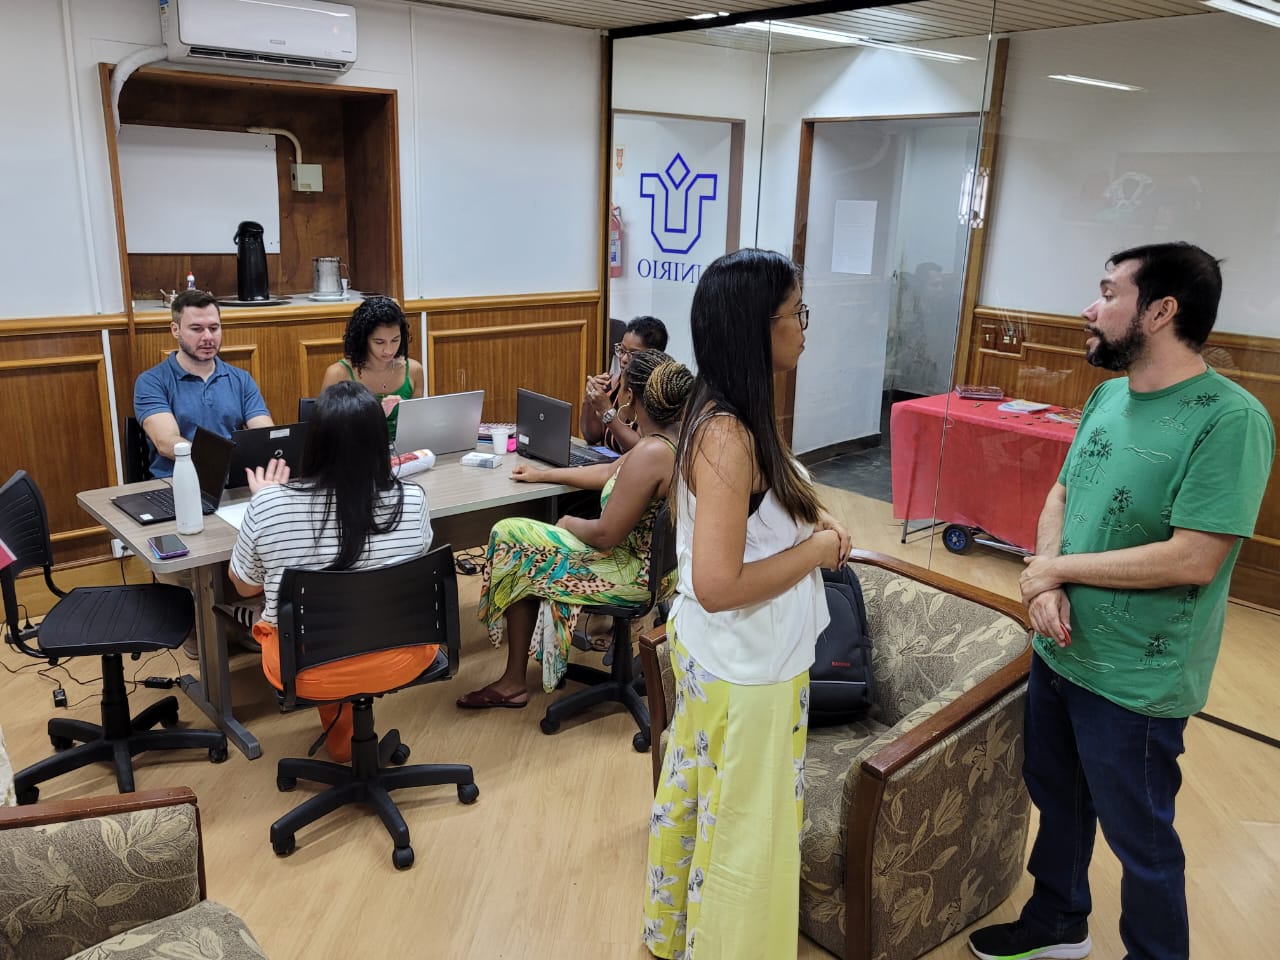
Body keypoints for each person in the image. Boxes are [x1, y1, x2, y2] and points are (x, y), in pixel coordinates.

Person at [968, 242, 1275, 960]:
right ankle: (1058, 920)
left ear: (1161, 312)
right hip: (1060, 649)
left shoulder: (1230, 420)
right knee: (1057, 797)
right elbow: (1062, 492)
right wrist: (1048, 578)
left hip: (1137, 679)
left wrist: (1051, 570)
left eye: (1109, 293)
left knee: (1141, 837)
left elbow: (1194, 557)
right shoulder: (1109, 396)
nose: (1089, 307)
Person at [643, 249, 850, 960]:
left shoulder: (724, 409)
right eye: (796, 313)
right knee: (746, 834)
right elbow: (719, 583)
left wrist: (812, 518)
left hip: (725, 654)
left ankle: (676, 933)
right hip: (748, 664)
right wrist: (818, 551)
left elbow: (761, 510)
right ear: (755, 328)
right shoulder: (728, 433)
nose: (804, 328)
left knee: (701, 796)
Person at [456, 348, 693, 708]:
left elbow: (605, 535)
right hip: (660, 573)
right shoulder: (672, 441)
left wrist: (567, 522)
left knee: (510, 537)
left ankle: (512, 683)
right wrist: (542, 475)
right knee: (528, 544)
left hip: (628, 575)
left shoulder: (651, 453)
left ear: (630, 396)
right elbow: (609, 472)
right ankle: (518, 675)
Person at [227, 381, 435, 763]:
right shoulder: (413, 500)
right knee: (357, 613)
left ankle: (343, 737)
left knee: (304, 626)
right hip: (402, 657)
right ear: (381, 443)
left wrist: (265, 501)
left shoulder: (270, 505)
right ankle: (346, 737)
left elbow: (244, 587)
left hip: (307, 670)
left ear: (313, 444)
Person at [134, 289, 273, 477]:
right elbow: (166, 443)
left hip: (232, 481)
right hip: (176, 481)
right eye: (196, 329)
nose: (208, 337)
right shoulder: (151, 382)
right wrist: (223, 461)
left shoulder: (241, 379)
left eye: (214, 328)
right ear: (175, 330)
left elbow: (264, 433)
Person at [320, 296, 424, 444]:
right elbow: (325, 432)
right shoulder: (338, 374)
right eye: (379, 342)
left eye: (395, 340)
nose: (389, 350)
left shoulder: (414, 370)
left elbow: (418, 427)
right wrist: (375, 416)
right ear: (363, 340)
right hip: (357, 452)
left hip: (403, 451)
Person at [581, 315, 669, 454]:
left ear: (653, 357)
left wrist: (607, 411)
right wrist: (588, 402)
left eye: (633, 354)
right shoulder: (613, 383)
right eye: (621, 350)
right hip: (611, 464)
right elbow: (592, 436)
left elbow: (642, 450)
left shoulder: (657, 396)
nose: (623, 359)